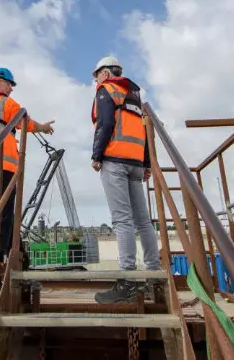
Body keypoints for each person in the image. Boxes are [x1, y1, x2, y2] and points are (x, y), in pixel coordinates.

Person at [0, 67, 54, 295]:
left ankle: (19, 262)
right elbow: (26, 123)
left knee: (1, 218)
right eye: (10, 84)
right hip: (4, 169)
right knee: (1, 221)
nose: (11, 88)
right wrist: (44, 128)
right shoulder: (6, 103)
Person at [90, 56, 161, 304]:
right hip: (134, 163)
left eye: (96, 75)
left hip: (114, 160)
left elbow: (106, 123)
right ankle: (155, 276)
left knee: (122, 220)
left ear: (106, 73)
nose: (95, 80)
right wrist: (147, 164)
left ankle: (127, 281)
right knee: (143, 221)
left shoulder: (106, 90)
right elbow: (142, 130)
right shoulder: (133, 95)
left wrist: (97, 155)